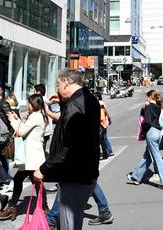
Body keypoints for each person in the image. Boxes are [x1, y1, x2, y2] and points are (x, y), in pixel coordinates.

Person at [34, 69, 100, 230]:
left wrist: (44, 168)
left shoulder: (76, 105)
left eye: (58, 84)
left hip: (75, 175)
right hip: (85, 170)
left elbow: (70, 146)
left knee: (69, 225)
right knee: (69, 223)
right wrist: (63, 102)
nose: (57, 89)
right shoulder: (87, 99)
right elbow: (71, 125)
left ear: (66, 82)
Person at [0, 94, 49, 220]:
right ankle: (16, 207)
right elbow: (26, 129)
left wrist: (12, 119)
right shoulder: (37, 115)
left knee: (33, 181)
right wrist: (18, 119)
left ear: (34, 104)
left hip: (32, 156)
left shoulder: (36, 116)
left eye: (29, 104)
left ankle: (42, 208)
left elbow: (21, 132)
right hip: (28, 155)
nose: (28, 106)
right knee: (29, 181)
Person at [127, 90, 163, 189]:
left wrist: (143, 130)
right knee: (147, 156)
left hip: (151, 133)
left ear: (151, 97)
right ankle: (136, 177)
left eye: (147, 97)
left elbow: (146, 121)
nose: (146, 99)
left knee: (156, 157)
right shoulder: (158, 107)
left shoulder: (149, 107)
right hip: (158, 133)